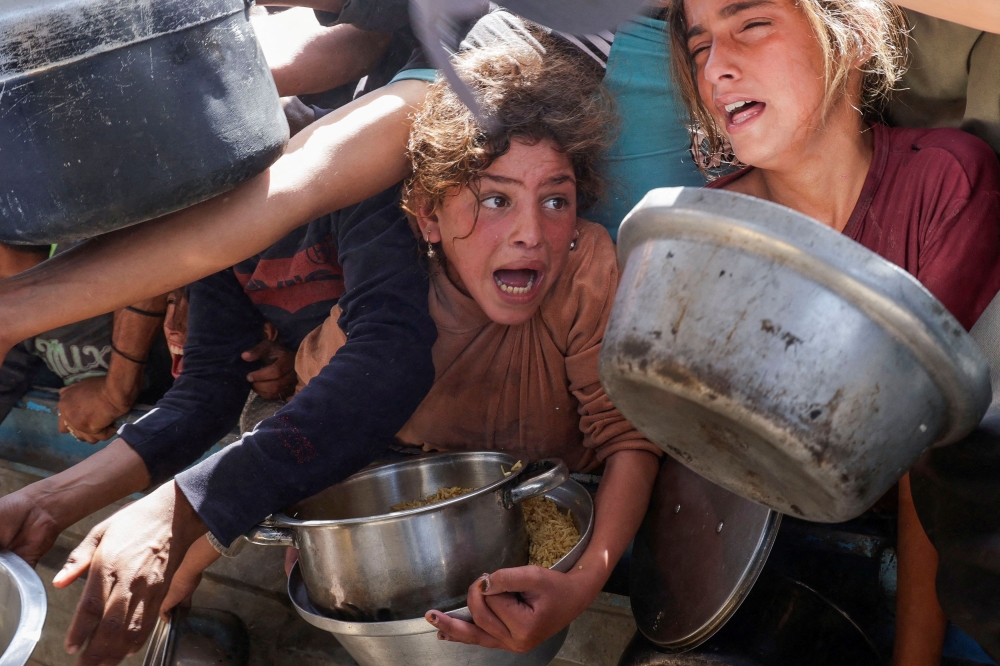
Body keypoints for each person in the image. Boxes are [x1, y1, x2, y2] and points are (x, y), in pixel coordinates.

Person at [160, 36, 661, 653]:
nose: (531, 233)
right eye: (496, 200)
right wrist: (281, 540)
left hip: (562, 514)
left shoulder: (585, 272)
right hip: (414, 548)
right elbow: (314, 431)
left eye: (555, 200)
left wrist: (582, 585)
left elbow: (628, 439)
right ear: (428, 215)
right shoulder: (389, 310)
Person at [666, 0, 1000, 665]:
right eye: (700, 47)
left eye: (751, 25)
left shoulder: (947, 183)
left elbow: (931, 460)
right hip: (763, 574)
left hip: (938, 565)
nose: (716, 69)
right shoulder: (706, 236)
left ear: (853, 38)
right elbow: (695, 464)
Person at [0, 242, 171, 443]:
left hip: (170, 406)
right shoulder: (16, 314)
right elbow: (8, 377)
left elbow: (153, 262)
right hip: (119, 428)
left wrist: (113, 392)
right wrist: (80, 411)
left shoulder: (89, 255)